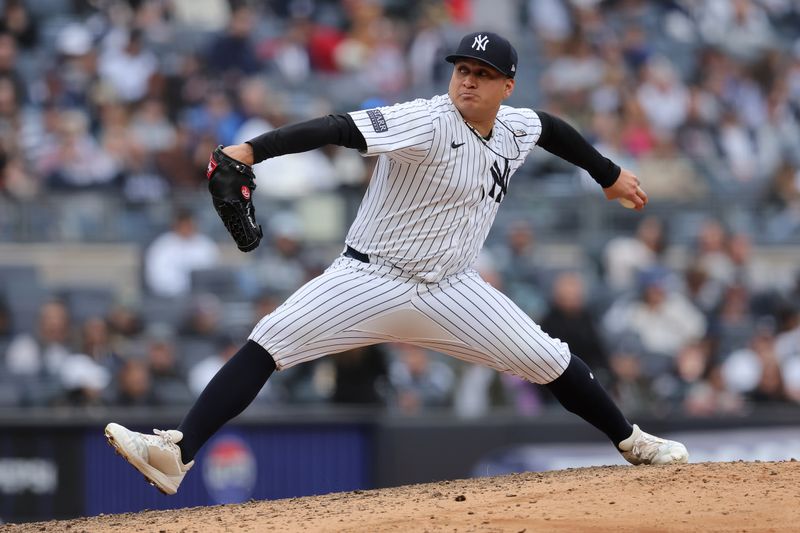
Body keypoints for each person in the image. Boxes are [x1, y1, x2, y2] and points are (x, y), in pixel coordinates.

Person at [105, 31, 688, 495]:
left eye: (483, 75)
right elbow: (336, 127)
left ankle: (633, 441)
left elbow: (554, 130)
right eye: (463, 70)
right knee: (269, 340)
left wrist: (607, 174)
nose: (468, 81)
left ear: (507, 86)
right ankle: (176, 454)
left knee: (551, 359)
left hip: (453, 289)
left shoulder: (514, 126)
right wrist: (252, 150)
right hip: (370, 277)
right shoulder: (427, 120)